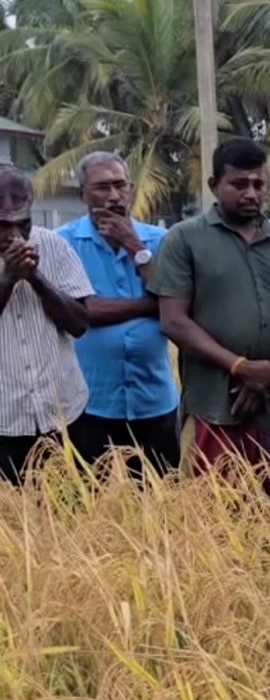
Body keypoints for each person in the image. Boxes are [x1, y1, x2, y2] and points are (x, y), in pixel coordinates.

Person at [149, 140, 270, 494]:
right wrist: (241, 367)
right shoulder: (184, 239)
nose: (251, 194)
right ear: (214, 185)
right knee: (214, 521)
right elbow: (175, 321)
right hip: (215, 405)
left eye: (258, 185)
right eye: (239, 184)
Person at [57, 152, 179, 477]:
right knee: (91, 503)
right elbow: (84, 313)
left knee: (163, 501)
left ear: (130, 189)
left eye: (119, 186)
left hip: (154, 400)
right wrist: (150, 304)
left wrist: (134, 246)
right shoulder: (64, 243)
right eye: (101, 188)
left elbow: (172, 301)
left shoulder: (160, 240)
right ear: (82, 194)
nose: (113, 196)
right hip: (92, 403)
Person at [0, 166, 92, 483]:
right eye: (3, 225)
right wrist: (9, 279)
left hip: (64, 415)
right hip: (4, 421)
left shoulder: (54, 246)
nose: (14, 235)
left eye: (23, 223)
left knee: (71, 515)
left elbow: (80, 324)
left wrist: (36, 278)